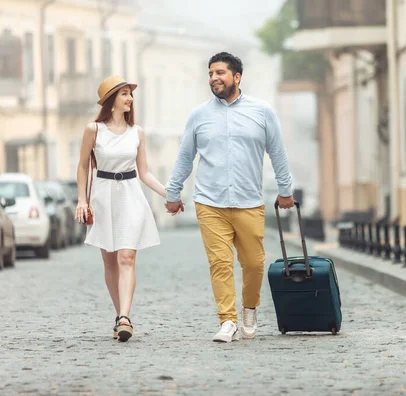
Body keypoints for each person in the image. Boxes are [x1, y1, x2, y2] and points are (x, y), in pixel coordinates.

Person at [165, 52, 295, 343]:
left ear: (236, 77)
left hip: (249, 201)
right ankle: (227, 320)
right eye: (211, 73)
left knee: (253, 263)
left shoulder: (262, 112)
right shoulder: (199, 116)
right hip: (210, 202)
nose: (214, 78)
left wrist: (285, 190)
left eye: (220, 73)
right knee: (220, 263)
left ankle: (249, 308)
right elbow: (185, 157)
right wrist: (173, 193)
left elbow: (278, 153)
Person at [75, 75, 173, 342]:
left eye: (131, 94)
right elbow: (83, 166)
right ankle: (120, 316)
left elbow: (145, 173)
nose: (130, 98)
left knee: (126, 258)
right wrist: (82, 200)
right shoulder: (93, 130)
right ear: (111, 100)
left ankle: (125, 317)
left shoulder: (137, 132)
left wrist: (170, 194)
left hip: (131, 195)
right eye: (125, 94)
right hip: (103, 196)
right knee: (109, 260)